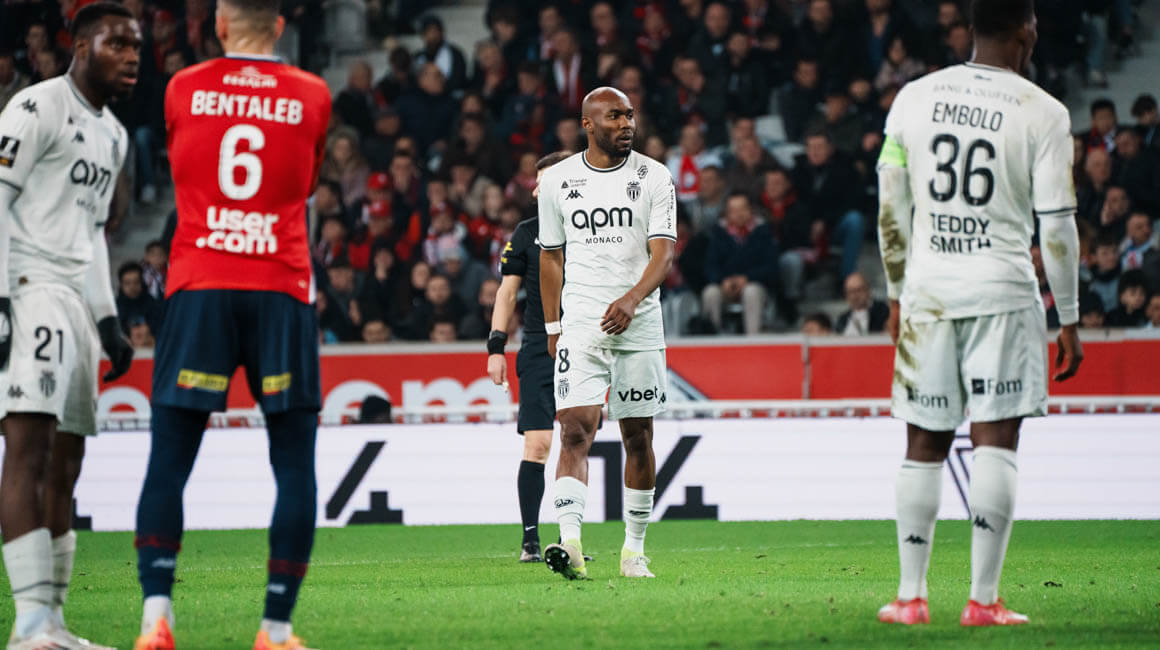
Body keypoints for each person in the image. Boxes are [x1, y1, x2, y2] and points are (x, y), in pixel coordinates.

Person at [875, 0, 1082, 627]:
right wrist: (1069, 316)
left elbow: (891, 205)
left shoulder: (913, 97)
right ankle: (983, 601)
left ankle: (910, 598)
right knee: (996, 438)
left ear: (971, 29)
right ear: (1026, 31)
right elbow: (1057, 225)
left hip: (929, 293)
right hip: (1004, 293)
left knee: (922, 440)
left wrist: (896, 293)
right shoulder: (1045, 112)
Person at [133, 0, 332, 647]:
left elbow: (181, 161)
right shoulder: (312, 93)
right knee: (294, 463)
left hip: (201, 284)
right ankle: (275, 628)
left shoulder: (182, 86)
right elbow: (306, 182)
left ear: (218, 26)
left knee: (169, 458)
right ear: (280, 26)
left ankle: (155, 619)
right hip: (279, 284)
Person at [0, 4, 138, 648]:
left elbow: (93, 231)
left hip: (77, 302)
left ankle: (52, 624)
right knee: (27, 449)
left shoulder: (115, 134)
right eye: (117, 43)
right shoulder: (36, 107)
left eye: (136, 46)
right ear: (81, 47)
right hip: (29, 285)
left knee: (67, 462)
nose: (132, 56)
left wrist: (108, 319)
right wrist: (1, 299)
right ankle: (28, 623)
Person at [538, 87, 676, 581]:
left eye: (629, 115)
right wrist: (553, 325)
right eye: (614, 116)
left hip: (639, 324)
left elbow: (663, 254)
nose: (626, 124)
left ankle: (633, 551)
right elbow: (550, 255)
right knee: (574, 429)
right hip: (581, 323)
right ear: (588, 124)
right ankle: (570, 543)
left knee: (637, 435)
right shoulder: (558, 180)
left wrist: (632, 299)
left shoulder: (654, 176)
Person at [487, 150, 571, 563]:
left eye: (545, 181)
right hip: (539, 346)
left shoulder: (592, 229)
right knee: (538, 443)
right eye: (536, 183)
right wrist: (496, 347)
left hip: (584, 346)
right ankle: (530, 540)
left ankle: (571, 539)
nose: (537, 190)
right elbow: (507, 293)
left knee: (576, 441)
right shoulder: (526, 233)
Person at [835, 272, 889, 336]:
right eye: (850, 291)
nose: (855, 296)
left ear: (868, 290)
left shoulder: (883, 312)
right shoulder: (842, 319)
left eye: (858, 290)